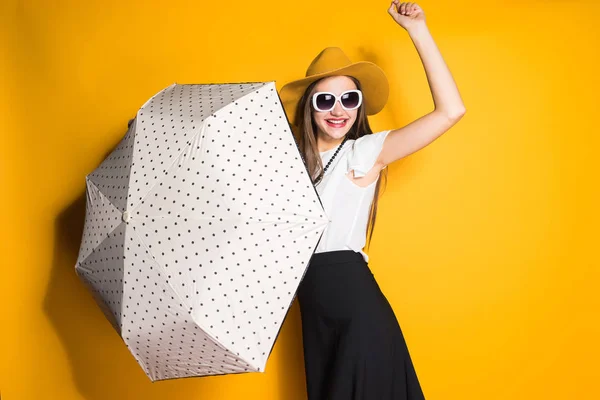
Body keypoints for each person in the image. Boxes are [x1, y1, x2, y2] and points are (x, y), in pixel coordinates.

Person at [279, 2, 466, 399]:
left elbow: (451, 111)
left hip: (354, 304)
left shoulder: (363, 152)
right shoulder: (290, 165)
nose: (339, 110)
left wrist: (418, 31)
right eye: (325, 101)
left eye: (349, 99)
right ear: (309, 107)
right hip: (314, 310)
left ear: (359, 106)